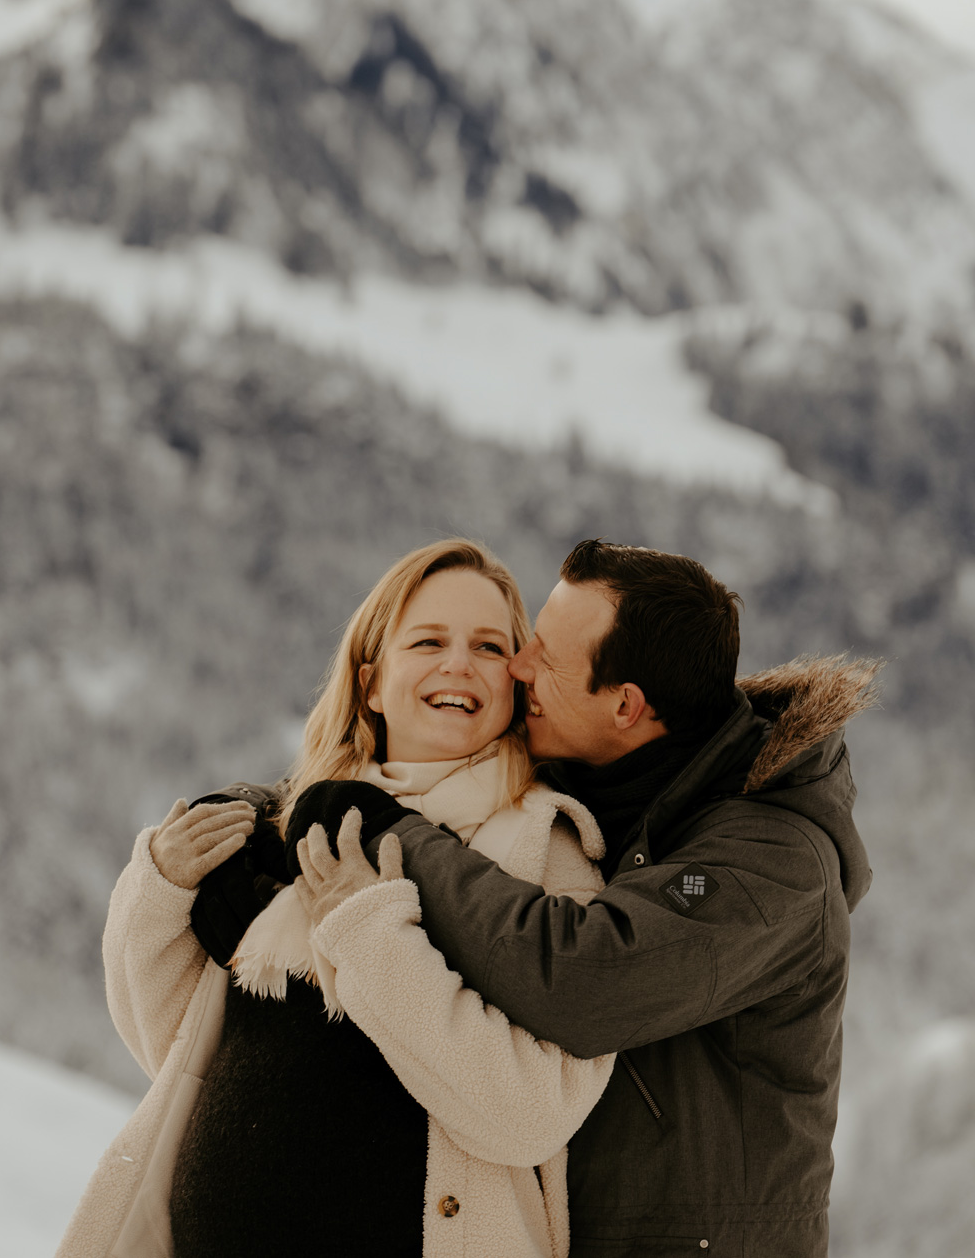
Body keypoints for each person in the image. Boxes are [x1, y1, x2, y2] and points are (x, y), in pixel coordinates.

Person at [289, 539, 877, 1258]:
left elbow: (582, 974)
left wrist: (393, 832)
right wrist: (261, 819)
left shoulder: (767, 868)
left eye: (545, 656)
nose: (518, 666)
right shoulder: (602, 771)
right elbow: (432, 775)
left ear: (626, 705)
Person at [57, 539, 615, 1258]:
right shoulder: (293, 829)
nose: (458, 663)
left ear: (515, 685)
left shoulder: (548, 852)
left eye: (487, 645)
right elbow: (168, 1042)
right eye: (428, 640)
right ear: (372, 680)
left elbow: (533, 1112)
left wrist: (371, 935)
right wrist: (159, 891)